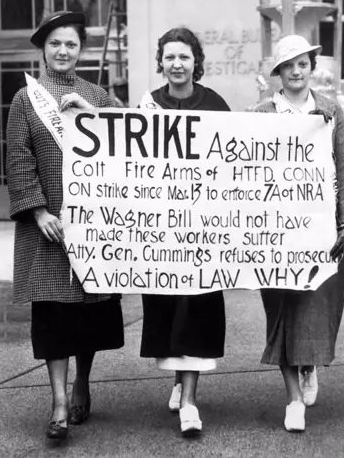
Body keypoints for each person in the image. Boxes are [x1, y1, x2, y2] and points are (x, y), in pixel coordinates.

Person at [6, 10, 124, 442]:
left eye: (71, 44)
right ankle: (57, 402)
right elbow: (19, 159)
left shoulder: (100, 96)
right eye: (55, 43)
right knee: (54, 317)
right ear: (43, 48)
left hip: (93, 225)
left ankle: (82, 383)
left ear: (80, 50)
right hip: (48, 228)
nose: (63, 51)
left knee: (90, 314)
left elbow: (125, 147)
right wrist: (38, 212)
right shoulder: (25, 99)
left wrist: (93, 112)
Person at [254, 35, 344, 432]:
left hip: (321, 231)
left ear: (311, 67)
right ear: (277, 72)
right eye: (288, 66)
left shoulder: (330, 112)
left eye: (303, 64)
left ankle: (309, 364)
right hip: (277, 233)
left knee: (315, 308)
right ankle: (292, 398)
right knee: (283, 309)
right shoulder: (261, 113)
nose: (296, 72)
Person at [139, 27, 230, 438]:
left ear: (197, 62)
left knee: (197, 309)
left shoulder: (215, 105)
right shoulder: (148, 105)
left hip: (204, 228)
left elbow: (235, 160)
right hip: (163, 230)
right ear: (161, 62)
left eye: (185, 57)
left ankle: (190, 401)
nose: (177, 64)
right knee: (169, 312)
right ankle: (178, 380)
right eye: (170, 57)